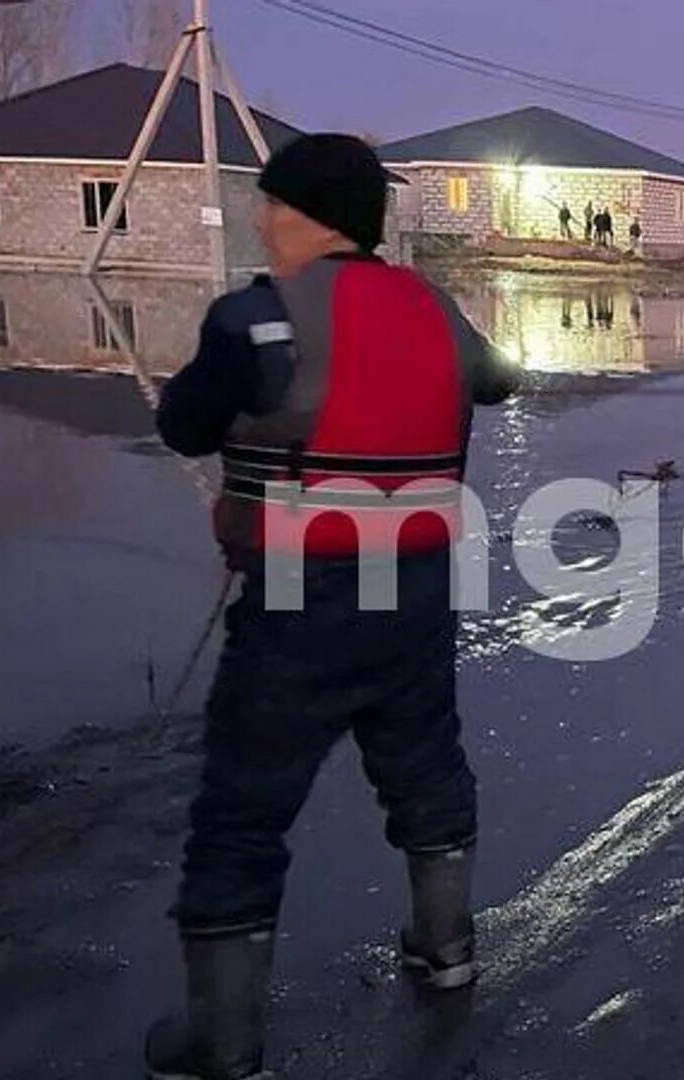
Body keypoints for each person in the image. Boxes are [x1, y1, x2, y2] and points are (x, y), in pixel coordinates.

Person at [145, 133, 521, 1080]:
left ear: (309, 216)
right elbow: (503, 383)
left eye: (271, 205)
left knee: (242, 813)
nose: (261, 221)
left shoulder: (255, 321)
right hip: (419, 597)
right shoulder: (435, 311)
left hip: (298, 606)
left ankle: (223, 1046)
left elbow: (180, 422)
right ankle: (446, 950)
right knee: (425, 764)